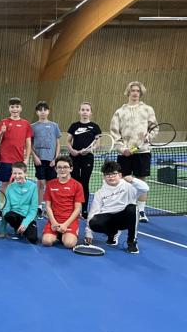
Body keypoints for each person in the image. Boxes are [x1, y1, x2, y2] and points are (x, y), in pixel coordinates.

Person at [110, 81, 156, 223]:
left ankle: (141, 211)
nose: (135, 93)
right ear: (128, 92)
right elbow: (114, 132)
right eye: (133, 90)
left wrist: (149, 136)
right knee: (123, 181)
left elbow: (154, 128)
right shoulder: (119, 112)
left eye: (138, 91)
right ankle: (124, 208)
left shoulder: (148, 109)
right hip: (124, 153)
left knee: (141, 181)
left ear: (141, 93)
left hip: (142, 152)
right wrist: (122, 148)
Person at [85, 161, 149, 254]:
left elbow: (145, 188)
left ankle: (131, 242)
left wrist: (133, 180)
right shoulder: (99, 193)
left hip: (125, 218)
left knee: (133, 208)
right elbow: (93, 212)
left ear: (120, 175)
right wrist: (88, 233)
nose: (111, 177)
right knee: (93, 222)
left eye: (114, 174)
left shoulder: (129, 186)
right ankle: (113, 233)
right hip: (109, 219)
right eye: (107, 175)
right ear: (104, 177)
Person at [66, 102, 102, 218]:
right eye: (83, 110)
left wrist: (90, 149)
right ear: (79, 111)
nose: (85, 112)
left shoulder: (95, 127)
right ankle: (74, 209)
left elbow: (98, 144)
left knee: (84, 183)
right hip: (74, 158)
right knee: (75, 183)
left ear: (90, 112)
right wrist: (72, 151)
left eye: (87, 110)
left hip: (88, 158)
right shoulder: (74, 126)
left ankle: (84, 210)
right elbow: (68, 141)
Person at [41, 155, 85, 249]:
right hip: (54, 220)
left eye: (65, 167)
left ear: (71, 169)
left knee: (69, 244)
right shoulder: (50, 184)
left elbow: (78, 209)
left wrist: (65, 224)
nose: (62, 170)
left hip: (70, 221)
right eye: (59, 167)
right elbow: (48, 206)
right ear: (56, 169)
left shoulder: (77, 185)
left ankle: (65, 235)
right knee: (46, 242)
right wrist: (53, 222)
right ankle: (58, 235)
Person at [0, 97, 32, 196]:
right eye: (12, 107)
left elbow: (28, 142)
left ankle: (16, 204)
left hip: (19, 160)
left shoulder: (26, 124)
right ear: (9, 108)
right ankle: (3, 204)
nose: (15, 109)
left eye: (17, 106)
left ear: (21, 108)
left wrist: (27, 159)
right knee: (5, 183)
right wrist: (1, 132)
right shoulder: (3, 122)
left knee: (19, 183)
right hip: (4, 159)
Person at [31, 101, 61, 220]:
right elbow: (29, 143)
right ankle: (39, 207)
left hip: (51, 160)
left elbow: (58, 143)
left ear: (48, 111)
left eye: (45, 110)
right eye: (40, 110)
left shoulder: (54, 126)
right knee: (41, 183)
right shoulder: (33, 126)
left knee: (51, 184)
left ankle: (50, 207)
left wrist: (55, 158)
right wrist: (35, 156)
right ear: (37, 112)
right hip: (39, 160)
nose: (43, 112)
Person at [0, 162, 38, 243]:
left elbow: (33, 209)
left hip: (27, 216)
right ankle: (17, 228)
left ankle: (22, 229)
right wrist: (2, 231)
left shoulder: (33, 186)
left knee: (32, 239)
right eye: (14, 173)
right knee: (8, 214)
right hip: (14, 215)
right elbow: (6, 207)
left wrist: (25, 223)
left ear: (25, 174)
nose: (17, 176)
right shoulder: (10, 187)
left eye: (20, 173)